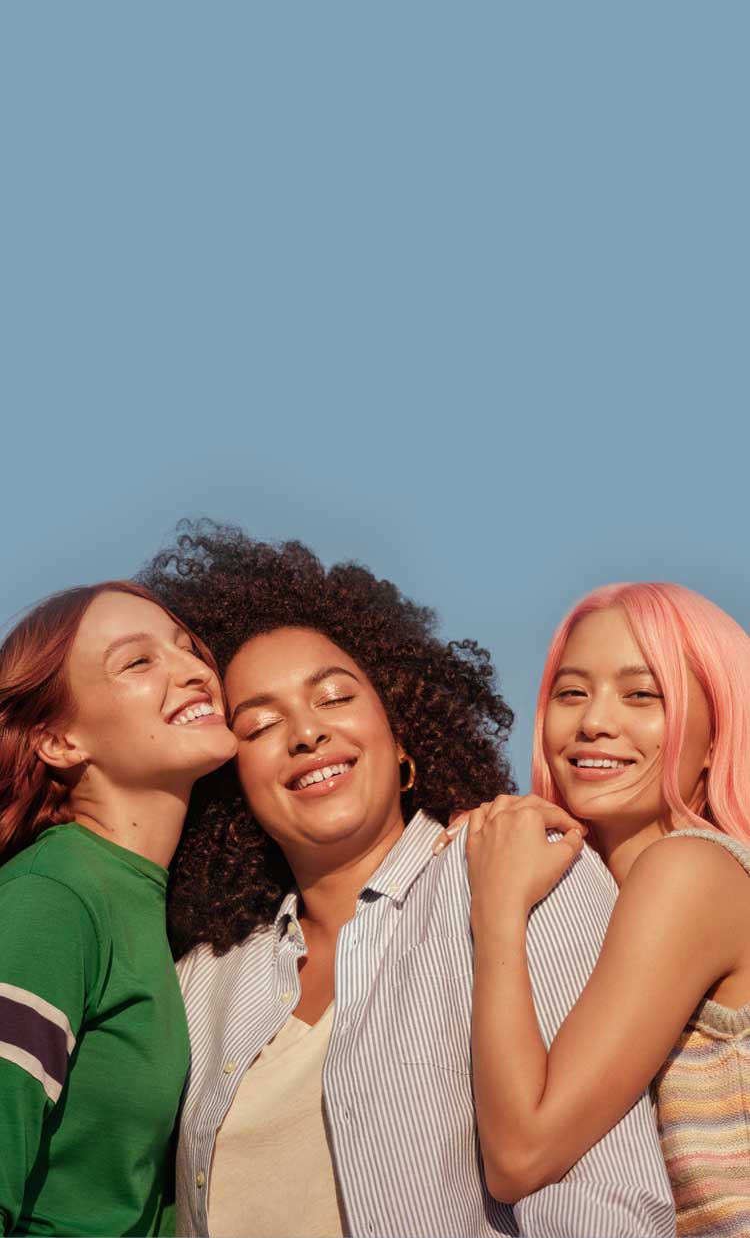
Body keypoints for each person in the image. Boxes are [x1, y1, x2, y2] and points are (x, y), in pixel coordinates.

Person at [141, 523, 675, 1238]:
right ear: (235, 780)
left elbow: (598, 1199)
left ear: (401, 737)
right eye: (260, 725)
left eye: (334, 698)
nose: (305, 733)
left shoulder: (523, 872)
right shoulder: (203, 980)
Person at [458, 581, 750, 1238]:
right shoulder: (603, 902)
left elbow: (521, 1153)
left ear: (715, 738)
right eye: (571, 692)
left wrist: (497, 904)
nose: (595, 720)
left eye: (642, 694)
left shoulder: (693, 870)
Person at [0, 580, 237, 1237]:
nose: (193, 671)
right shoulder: (53, 898)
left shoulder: (145, 902)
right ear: (60, 742)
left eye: (188, 650)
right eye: (138, 661)